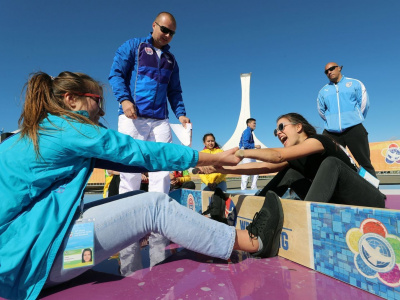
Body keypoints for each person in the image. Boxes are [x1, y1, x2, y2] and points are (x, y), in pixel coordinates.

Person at [0, 71, 283, 300]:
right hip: (32, 265)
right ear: (71, 99)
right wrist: (211, 155)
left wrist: (196, 163)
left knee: (137, 197)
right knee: (153, 205)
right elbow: (140, 152)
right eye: (97, 100)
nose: (100, 112)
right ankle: (253, 241)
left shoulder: (32, 136)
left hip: (16, 263)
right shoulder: (68, 129)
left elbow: (132, 162)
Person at [108, 11, 189, 274]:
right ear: (154, 26)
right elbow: (116, 74)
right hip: (132, 118)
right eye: (164, 29)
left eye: (171, 33)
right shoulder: (133, 46)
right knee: (129, 173)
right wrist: (124, 100)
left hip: (160, 120)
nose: (167, 35)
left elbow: (174, 91)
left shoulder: (171, 60)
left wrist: (182, 113)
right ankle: (129, 233)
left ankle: (158, 226)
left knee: (162, 172)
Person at [210, 113, 385, 208]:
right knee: (290, 173)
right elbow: (263, 166)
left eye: (281, 127)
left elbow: (278, 155)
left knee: (331, 163)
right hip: (339, 204)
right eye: (275, 131)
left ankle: (305, 216)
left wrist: (241, 152)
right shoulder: (295, 158)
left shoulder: (320, 141)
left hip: (368, 200)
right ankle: (258, 209)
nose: (278, 133)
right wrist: (223, 170)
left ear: (299, 127)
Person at [317, 62, 376, 177]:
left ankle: (374, 193)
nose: (329, 72)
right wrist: (332, 122)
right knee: (332, 164)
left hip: (354, 129)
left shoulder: (355, 83)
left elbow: (364, 104)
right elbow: (321, 111)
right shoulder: (323, 91)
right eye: (326, 71)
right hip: (331, 133)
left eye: (332, 68)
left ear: (339, 68)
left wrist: (355, 119)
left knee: (364, 163)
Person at [239, 118, 261, 190]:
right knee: (246, 172)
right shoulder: (247, 132)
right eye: (253, 123)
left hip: (249, 152)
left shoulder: (249, 132)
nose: (255, 125)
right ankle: (244, 189)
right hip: (246, 152)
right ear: (248, 124)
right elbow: (245, 144)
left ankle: (253, 187)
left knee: (256, 170)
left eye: (255, 123)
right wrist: (255, 146)